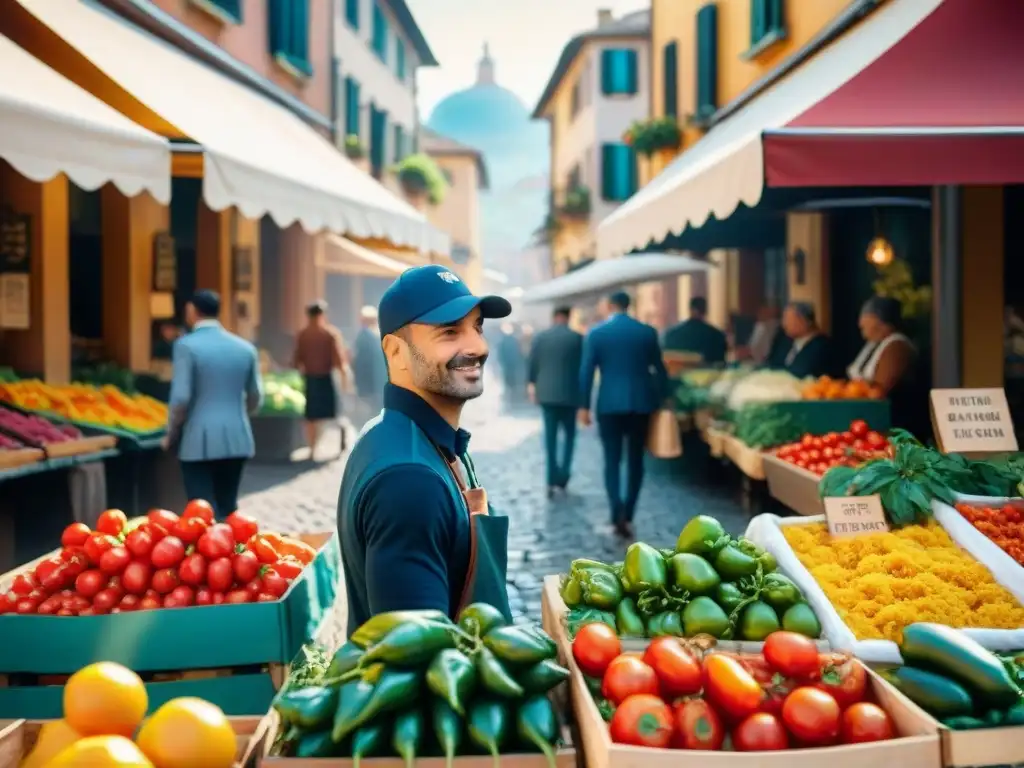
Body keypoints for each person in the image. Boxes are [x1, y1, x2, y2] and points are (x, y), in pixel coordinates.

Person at [337, 265, 514, 633]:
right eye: (450, 332)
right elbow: (417, 660)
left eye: (477, 327)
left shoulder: (410, 438)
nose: (478, 347)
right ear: (396, 352)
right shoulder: (409, 480)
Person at [164, 290, 262, 519]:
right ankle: (235, 553)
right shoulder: (245, 348)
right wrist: (237, 416)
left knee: (200, 513)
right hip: (238, 437)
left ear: (191, 311)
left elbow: (180, 398)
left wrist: (171, 432)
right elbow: (256, 395)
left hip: (197, 439)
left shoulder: (186, 346)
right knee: (229, 507)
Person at [579, 291, 669, 539]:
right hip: (641, 402)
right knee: (636, 460)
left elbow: (586, 372)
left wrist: (584, 406)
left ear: (610, 306)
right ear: (630, 306)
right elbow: (659, 369)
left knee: (612, 459)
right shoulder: (647, 332)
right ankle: (629, 512)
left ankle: (615, 511)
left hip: (608, 403)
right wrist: (665, 399)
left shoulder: (596, 333)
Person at [527, 307, 583, 498]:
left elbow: (532, 364)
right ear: (568, 317)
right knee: (569, 437)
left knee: (550, 438)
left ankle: (551, 478)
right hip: (570, 395)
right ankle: (564, 475)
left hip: (547, 395)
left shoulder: (541, 337)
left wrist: (532, 385)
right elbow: (583, 369)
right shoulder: (577, 338)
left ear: (554, 317)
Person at [292, 300, 348, 459]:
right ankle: (321, 446)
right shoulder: (329, 333)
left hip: (311, 378)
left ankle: (312, 449)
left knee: (312, 416)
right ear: (322, 315)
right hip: (325, 378)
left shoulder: (303, 334)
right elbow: (339, 361)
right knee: (333, 413)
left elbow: (296, 360)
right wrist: (345, 380)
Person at [351, 305, 388, 430]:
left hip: (370, 380)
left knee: (368, 411)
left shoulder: (368, 335)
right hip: (373, 380)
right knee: (371, 410)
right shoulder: (371, 336)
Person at [662, 297, 728, 365]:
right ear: (706, 311)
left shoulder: (671, 334)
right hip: (707, 374)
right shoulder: (717, 336)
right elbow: (720, 364)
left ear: (690, 309)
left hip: (678, 373)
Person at [779, 302, 833, 378]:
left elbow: (801, 374)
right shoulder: (786, 342)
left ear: (803, 321)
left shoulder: (821, 347)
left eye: (788, 319)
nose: (784, 324)